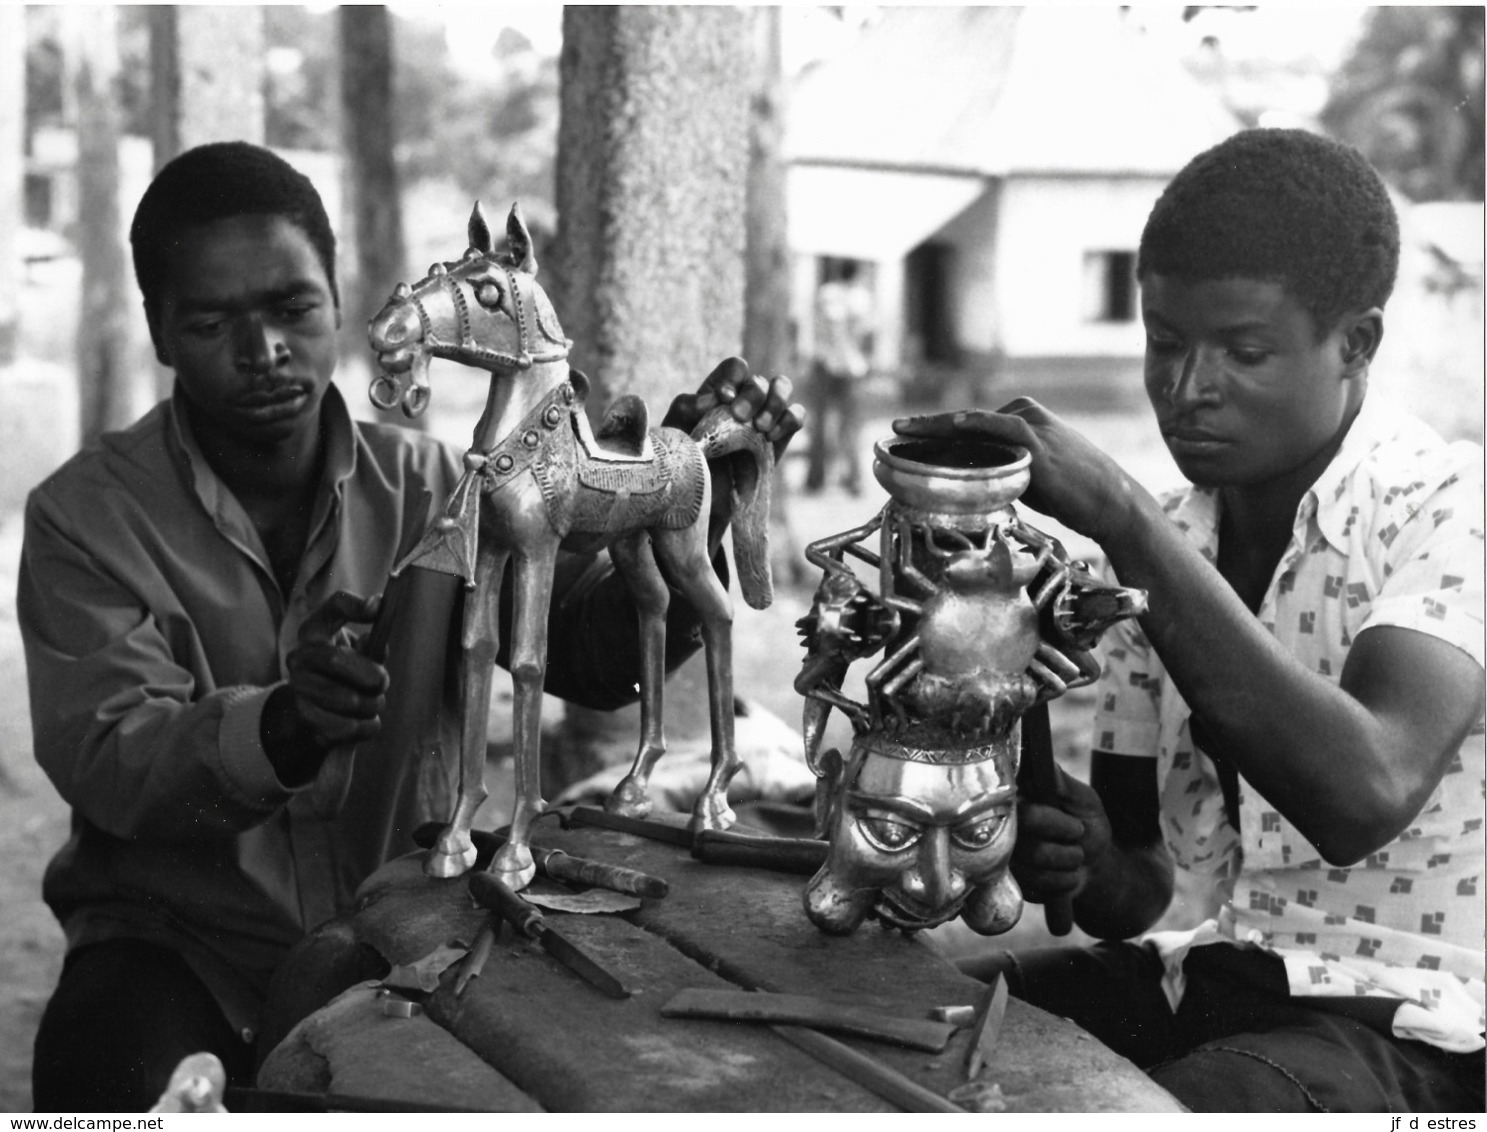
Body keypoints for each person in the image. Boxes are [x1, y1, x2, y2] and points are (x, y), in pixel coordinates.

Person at [19, 140, 803, 1112]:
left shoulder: (437, 484)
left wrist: (682, 501)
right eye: (213, 320)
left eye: (291, 309)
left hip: (395, 933)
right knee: (106, 1077)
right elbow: (112, 755)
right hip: (179, 946)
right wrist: (282, 724)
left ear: (338, 299)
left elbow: (593, 657)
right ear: (158, 330)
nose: (263, 350)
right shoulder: (83, 518)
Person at [898, 128, 1483, 1111]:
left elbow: (1361, 792)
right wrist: (1084, 856)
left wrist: (1121, 514)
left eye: (1242, 351)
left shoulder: (1447, 512)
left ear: (1355, 344)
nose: (1185, 388)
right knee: (901, 1027)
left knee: (1145, 1107)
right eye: (1164, 343)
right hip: (1215, 980)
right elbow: (1136, 887)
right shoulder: (1166, 552)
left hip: (1419, 1030)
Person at [804, 261, 873, 495]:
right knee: (849, 425)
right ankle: (852, 479)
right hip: (851, 366)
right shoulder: (862, 298)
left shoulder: (827, 293)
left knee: (821, 423)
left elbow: (817, 328)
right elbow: (866, 335)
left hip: (826, 362)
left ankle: (817, 478)